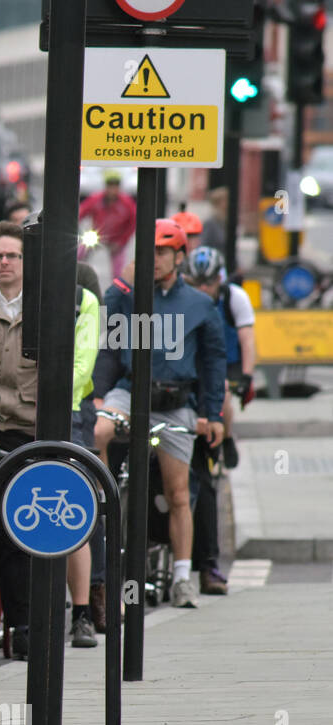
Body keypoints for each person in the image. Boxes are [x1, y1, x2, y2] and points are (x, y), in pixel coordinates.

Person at [0, 221, 101, 654]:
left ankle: (52, 619)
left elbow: (73, 368)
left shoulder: (51, 307)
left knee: (39, 528)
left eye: (13, 256)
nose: (4, 263)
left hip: (35, 431)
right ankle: (9, 627)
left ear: (29, 261)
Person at [93, 218, 227, 609]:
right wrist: (100, 397)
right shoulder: (126, 295)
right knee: (96, 434)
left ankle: (184, 577)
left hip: (175, 404)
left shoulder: (201, 305)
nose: (153, 259)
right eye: (146, 252)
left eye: (162, 251)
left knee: (179, 492)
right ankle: (104, 503)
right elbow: (108, 349)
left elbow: (213, 363)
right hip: (128, 395)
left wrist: (211, 413)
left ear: (179, 256)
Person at [183, 245, 256, 596]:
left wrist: (247, 376)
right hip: (173, 391)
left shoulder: (232, 299)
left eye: (208, 283)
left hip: (216, 375)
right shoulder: (172, 301)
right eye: (195, 282)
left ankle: (208, 563)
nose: (202, 289)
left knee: (204, 480)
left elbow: (245, 339)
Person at [78, 171, 137, 279]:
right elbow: (81, 213)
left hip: (117, 239)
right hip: (96, 235)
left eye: (115, 186)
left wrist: (122, 240)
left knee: (118, 270)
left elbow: (133, 223)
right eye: (110, 186)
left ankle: (118, 289)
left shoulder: (127, 203)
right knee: (79, 253)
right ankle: (74, 276)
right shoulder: (96, 199)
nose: (112, 190)